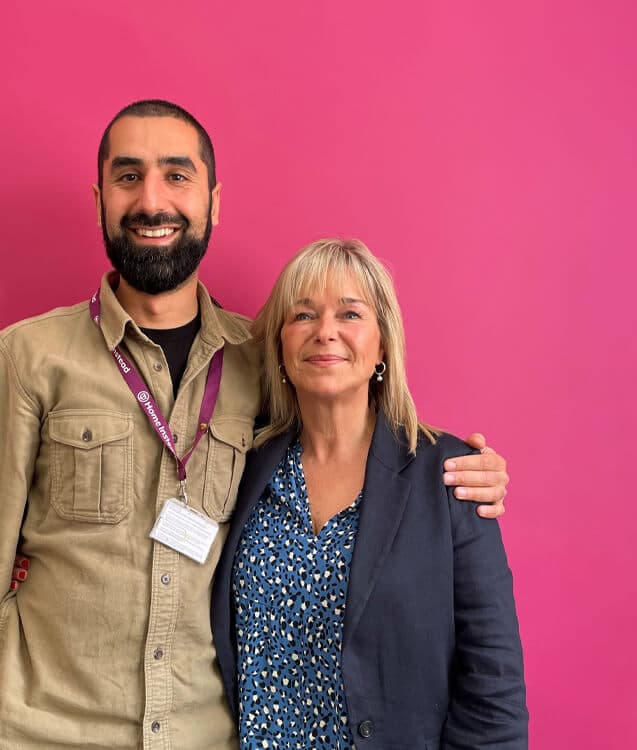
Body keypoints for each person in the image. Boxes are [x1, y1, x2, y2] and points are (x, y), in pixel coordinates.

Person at [0, 101, 512, 750]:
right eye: (128, 176)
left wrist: (453, 472)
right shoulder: (26, 358)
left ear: (213, 201)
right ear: (100, 200)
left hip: (206, 736)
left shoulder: (261, 360)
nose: (152, 200)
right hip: (53, 735)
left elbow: (347, 416)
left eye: (177, 176)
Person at [211, 238, 527, 749]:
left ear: (382, 345)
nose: (325, 331)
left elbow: (494, 682)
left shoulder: (450, 475)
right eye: (303, 315)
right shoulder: (243, 467)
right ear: (281, 348)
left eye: (350, 314)